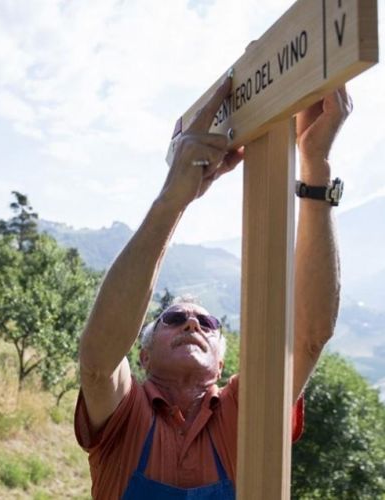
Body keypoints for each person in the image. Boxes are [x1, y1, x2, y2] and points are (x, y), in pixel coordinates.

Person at [75, 75, 352, 499]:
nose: (192, 324)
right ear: (144, 355)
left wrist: (315, 166)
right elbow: (97, 361)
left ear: (222, 366)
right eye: (173, 318)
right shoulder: (124, 411)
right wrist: (174, 197)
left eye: (207, 322)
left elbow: (309, 337)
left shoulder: (244, 411)